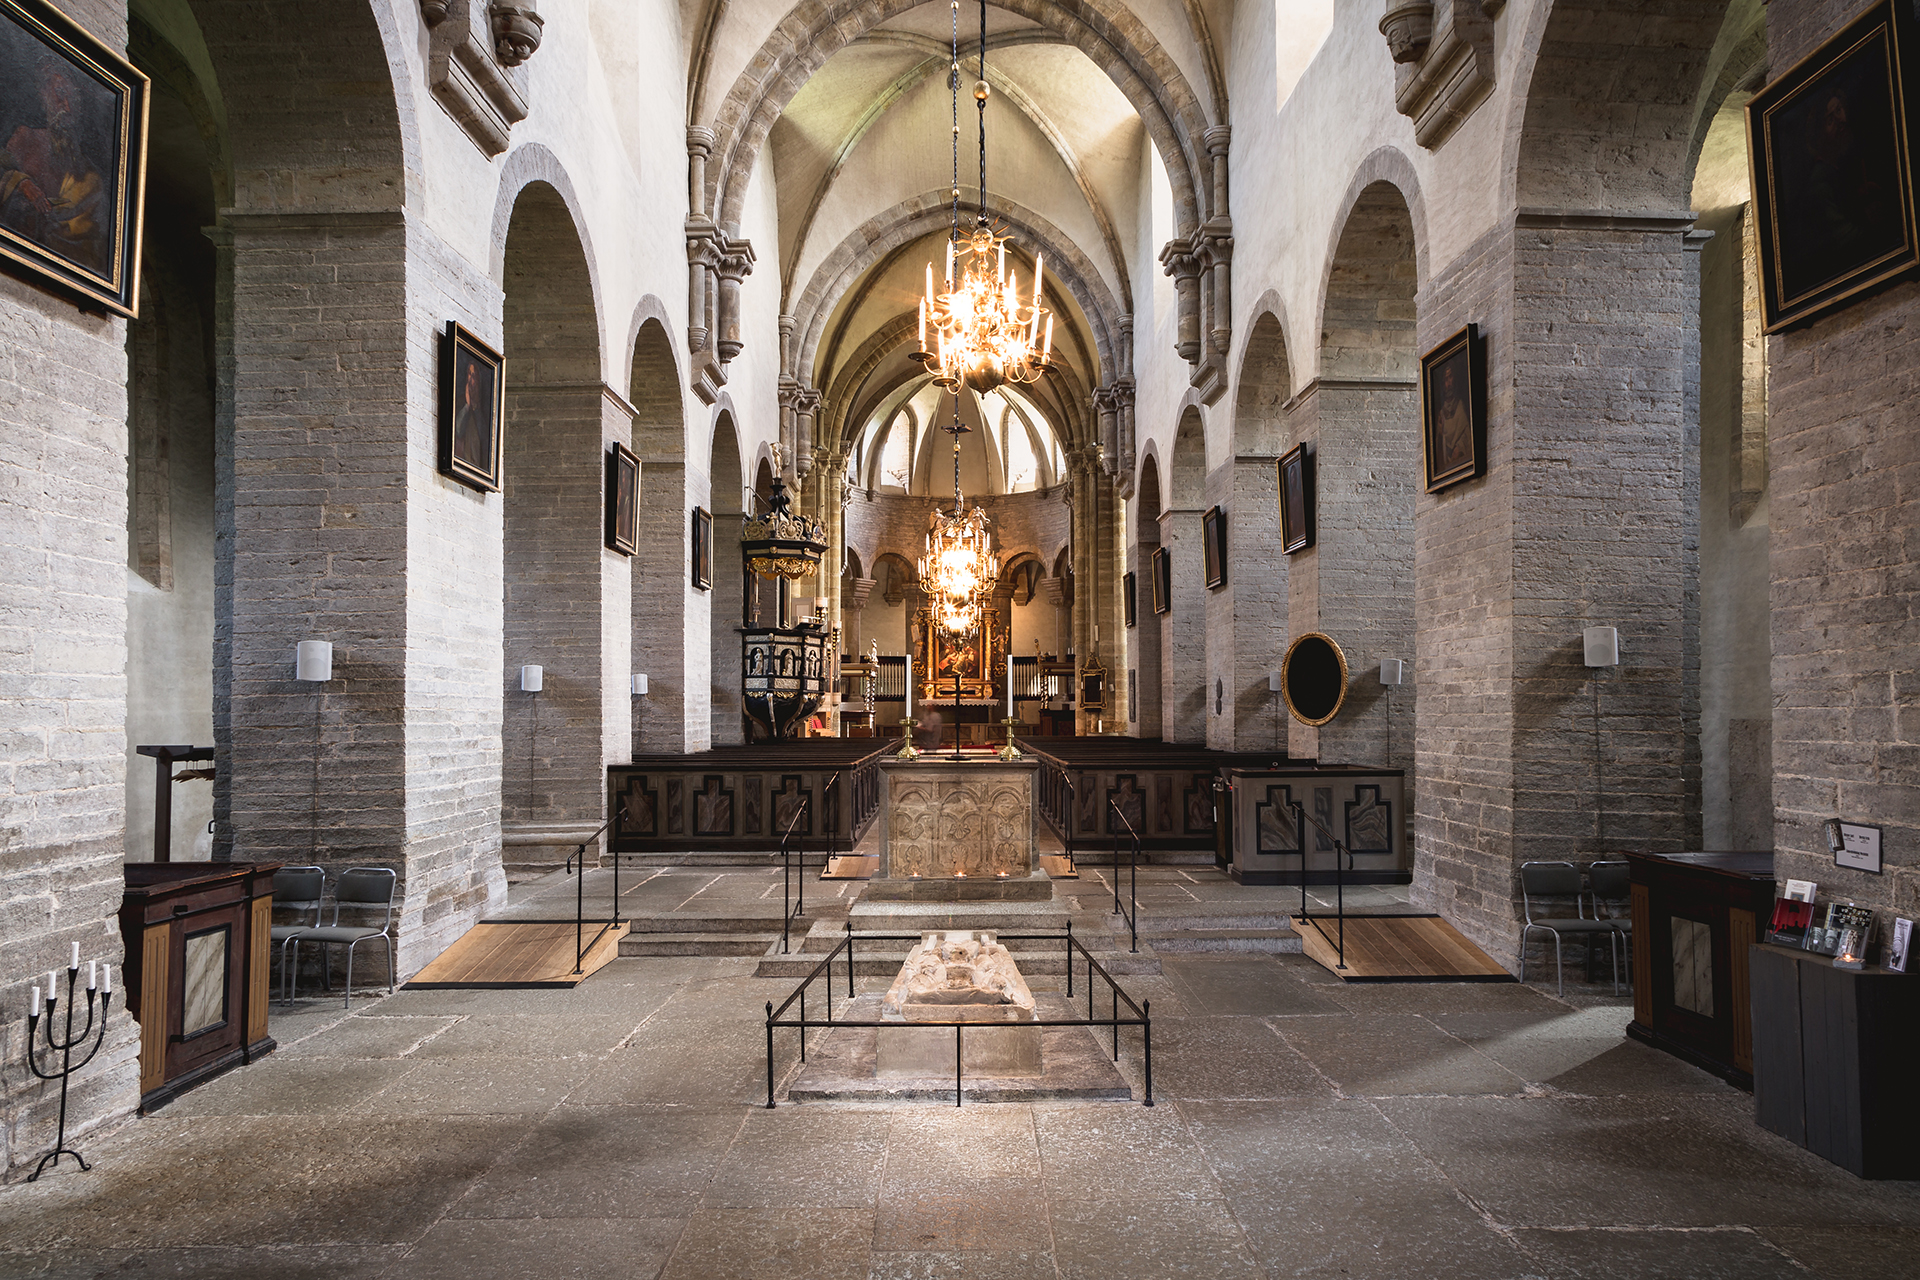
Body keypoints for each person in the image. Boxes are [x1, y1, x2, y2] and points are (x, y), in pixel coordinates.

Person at [1, 62, 108, 273]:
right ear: (43, 95)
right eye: (60, 94)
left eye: (73, 100)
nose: (66, 106)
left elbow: (95, 247)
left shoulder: (90, 176)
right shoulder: (24, 139)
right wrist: (21, 183)